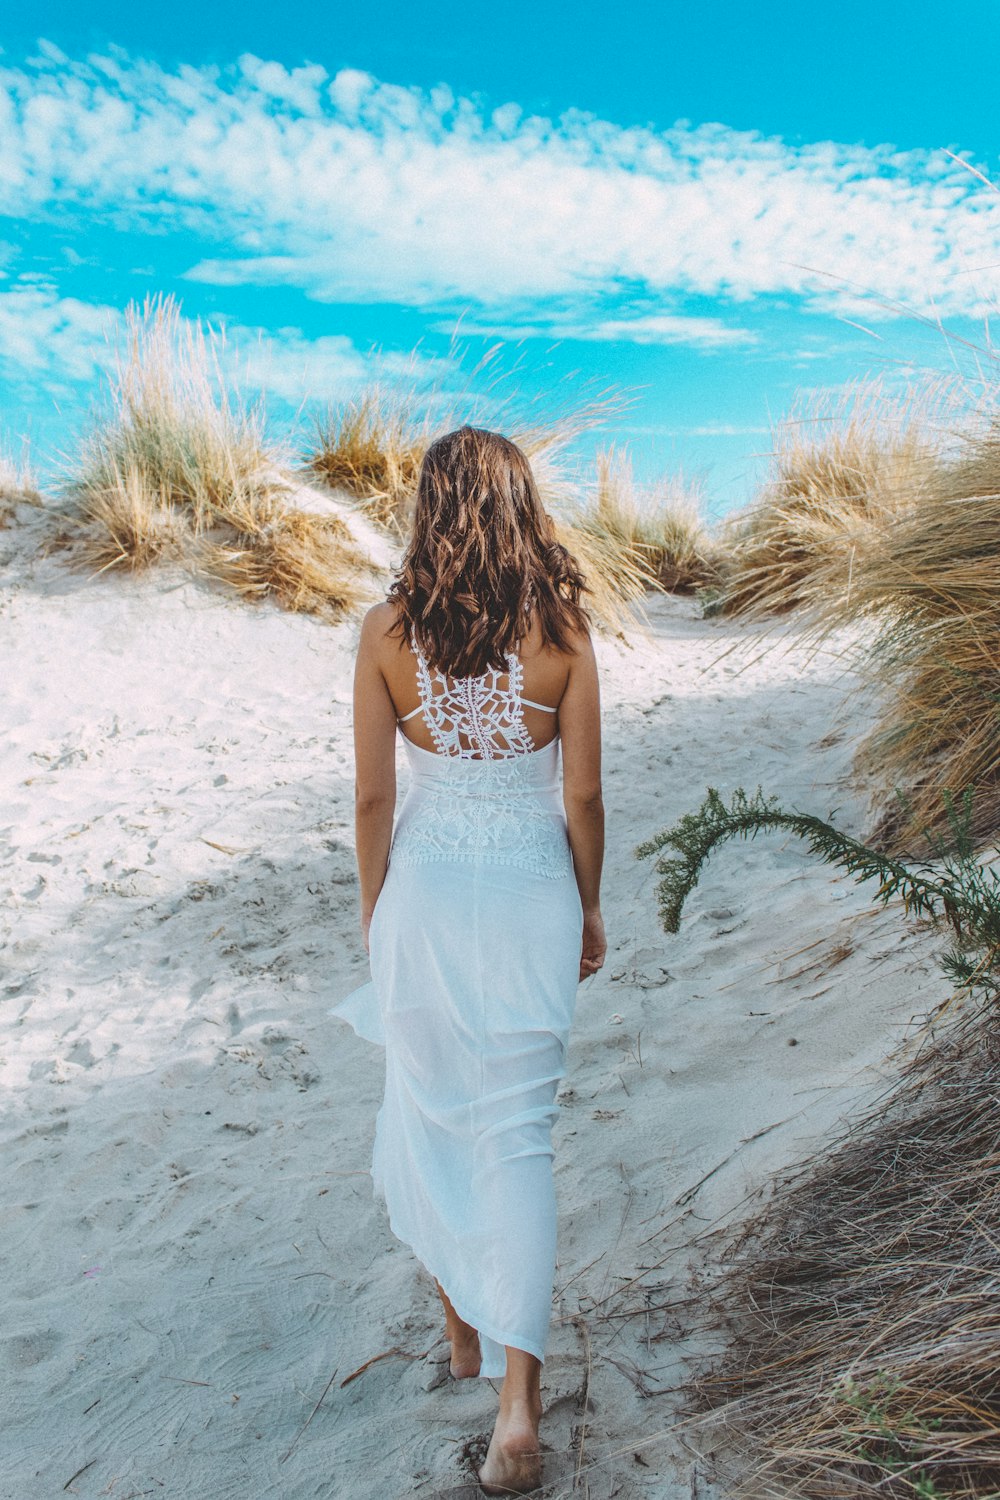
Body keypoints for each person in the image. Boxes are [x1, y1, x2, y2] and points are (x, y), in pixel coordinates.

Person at [331, 425, 606, 1495]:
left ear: (426, 509)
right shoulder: (564, 631)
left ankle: (460, 1331)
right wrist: (588, 908)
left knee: (431, 1103)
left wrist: (373, 912)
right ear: (520, 507)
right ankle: (514, 1397)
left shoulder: (384, 631)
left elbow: (371, 796)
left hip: (427, 891)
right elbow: (580, 796)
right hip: (533, 886)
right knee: (517, 1132)